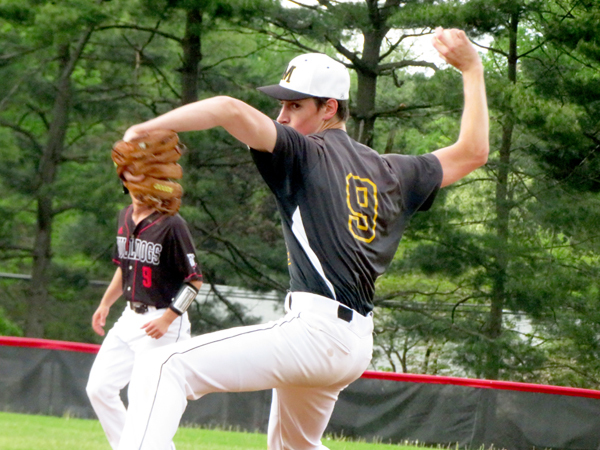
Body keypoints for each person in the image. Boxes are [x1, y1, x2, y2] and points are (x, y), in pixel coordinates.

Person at [116, 27, 488, 450]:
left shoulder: (303, 152)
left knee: (162, 365)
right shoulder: (393, 171)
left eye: (294, 105)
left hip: (315, 332)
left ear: (329, 108)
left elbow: (227, 109)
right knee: (293, 447)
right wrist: (472, 69)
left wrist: (145, 128)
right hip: (352, 344)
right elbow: (473, 151)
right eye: (282, 106)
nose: (282, 118)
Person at [86, 186, 203, 450]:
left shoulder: (172, 223)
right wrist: (105, 303)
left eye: (146, 184)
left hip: (163, 318)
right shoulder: (125, 216)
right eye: (134, 182)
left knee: (146, 403)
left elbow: (194, 281)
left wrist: (168, 319)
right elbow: (125, 267)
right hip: (130, 316)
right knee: (99, 388)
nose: (139, 190)